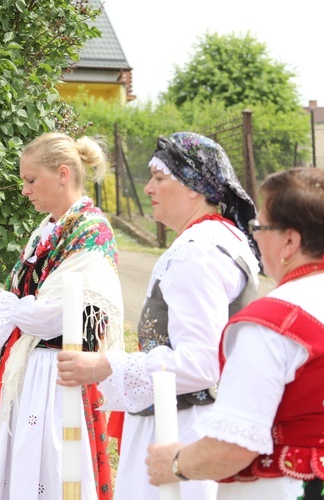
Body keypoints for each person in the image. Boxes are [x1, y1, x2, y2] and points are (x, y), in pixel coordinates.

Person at [145, 167, 324, 499]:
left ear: (289, 240)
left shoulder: (272, 321)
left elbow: (233, 449)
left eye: (260, 227)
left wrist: (175, 461)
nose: (254, 236)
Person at [57, 132, 261, 499]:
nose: (148, 187)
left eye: (160, 178)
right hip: (197, 421)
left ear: (195, 187)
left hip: (183, 427)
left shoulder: (197, 252)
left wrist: (107, 366)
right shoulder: (221, 239)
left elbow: (200, 362)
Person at [0, 132, 124, 500]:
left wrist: (2, 304)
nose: (24, 190)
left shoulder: (91, 230)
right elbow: (25, 299)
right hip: (27, 370)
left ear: (63, 174)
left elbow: (59, 314)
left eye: (31, 180)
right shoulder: (48, 228)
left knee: (55, 468)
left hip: (59, 372)